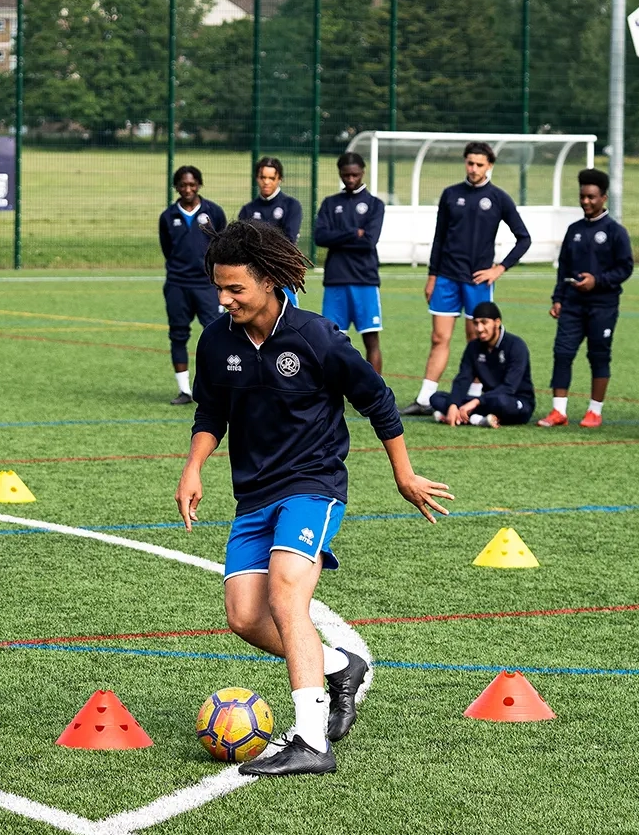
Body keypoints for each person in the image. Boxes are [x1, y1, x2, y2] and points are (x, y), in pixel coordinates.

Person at [176, 221, 453, 777]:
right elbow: (212, 412)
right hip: (252, 494)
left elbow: (378, 400)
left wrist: (405, 474)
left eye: (235, 289)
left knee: (285, 596)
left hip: (313, 484)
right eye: (219, 289)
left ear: (270, 281)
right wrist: (194, 466)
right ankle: (337, 666)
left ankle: (310, 738)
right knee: (244, 617)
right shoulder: (216, 341)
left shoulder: (316, 337)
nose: (224, 300)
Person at [400, 141, 531, 416]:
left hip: (477, 281)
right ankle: (425, 398)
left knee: (476, 336)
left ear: (490, 166)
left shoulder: (498, 198)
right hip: (446, 276)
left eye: (479, 164)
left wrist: (500, 268)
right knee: (439, 337)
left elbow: (524, 238)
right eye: (470, 163)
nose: (473, 168)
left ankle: (473, 397)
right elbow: (439, 238)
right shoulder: (450, 195)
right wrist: (432, 276)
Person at [538, 168, 633, 428]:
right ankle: (559, 411)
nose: (585, 202)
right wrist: (557, 298)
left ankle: (595, 411)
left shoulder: (615, 232)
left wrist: (597, 281)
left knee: (599, 355)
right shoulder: (574, 230)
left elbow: (625, 268)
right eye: (582, 196)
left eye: (591, 197)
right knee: (562, 353)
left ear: (603, 198)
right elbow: (564, 268)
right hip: (572, 304)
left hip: (603, 305)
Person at [159, 165, 228, 405]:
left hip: (207, 285)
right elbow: (168, 250)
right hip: (177, 285)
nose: (187, 189)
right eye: (182, 185)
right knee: (178, 335)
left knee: (216, 334)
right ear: (176, 187)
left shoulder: (214, 212)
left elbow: (223, 247)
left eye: (192, 184)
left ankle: (217, 387)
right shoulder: (168, 216)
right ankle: (184, 391)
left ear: (199, 184)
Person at [314, 152, 386, 373]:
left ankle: (376, 394)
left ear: (363, 172)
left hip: (364, 279)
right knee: (330, 341)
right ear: (340, 174)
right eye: (346, 175)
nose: (351, 179)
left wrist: (338, 237)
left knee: (371, 340)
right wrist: (354, 233)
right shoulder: (330, 203)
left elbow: (369, 241)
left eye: (355, 175)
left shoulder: (375, 204)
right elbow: (320, 237)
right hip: (336, 279)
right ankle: (330, 394)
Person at [430, 301, 533, 428]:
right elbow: (463, 378)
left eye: (484, 322)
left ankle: (470, 417)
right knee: (436, 398)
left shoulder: (516, 345)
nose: (479, 329)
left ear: (497, 322)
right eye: (476, 323)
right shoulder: (473, 347)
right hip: (487, 401)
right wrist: (453, 405)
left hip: (515, 400)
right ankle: (477, 419)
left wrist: (476, 401)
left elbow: (509, 387)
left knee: (501, 402)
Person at [238, 156, 302, 246]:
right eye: (263, 177)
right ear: (257, 178)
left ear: (280, 179)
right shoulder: (247, 210)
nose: (266, 182)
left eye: (272, 178)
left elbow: (289, 241)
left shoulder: (291, 206)